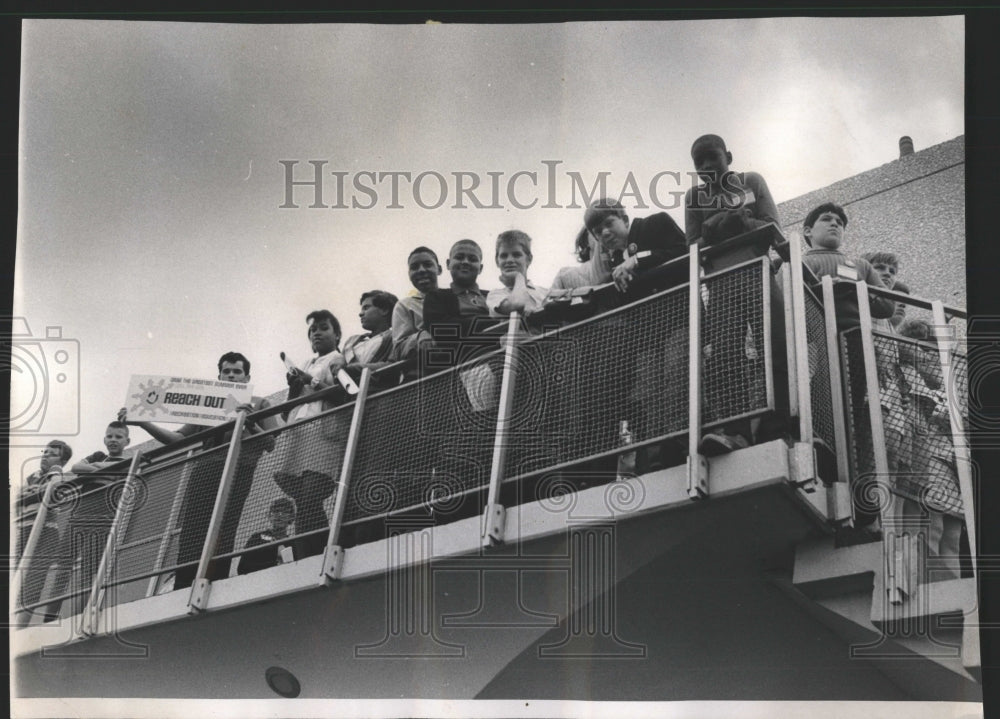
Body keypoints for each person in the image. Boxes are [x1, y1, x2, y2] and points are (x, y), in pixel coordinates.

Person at [120, 351, 279, 589]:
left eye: (237, 372)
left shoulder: (259, 403)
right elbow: (177, 439)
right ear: (219, 376)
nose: (231, 376)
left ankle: (215, 582)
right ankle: (184, 585)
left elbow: (271, 443)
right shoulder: (209, 405)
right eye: (226, 371)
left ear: (246, 378)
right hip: (205, 469)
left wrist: (250, 422)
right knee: (193, 530)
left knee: (225, 526)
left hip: (239, 470)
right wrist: (142, 421)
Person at [276, 310, 350, 559]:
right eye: (312, 330)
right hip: (300, 436)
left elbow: (345, 394)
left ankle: (318, 554)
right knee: (303, 501)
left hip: (324, 435)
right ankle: (304, 557)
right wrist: (294, 388)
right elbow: (288, 411)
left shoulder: (340, 358)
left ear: (336, 334)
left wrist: (313, 382)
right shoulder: (306, 363)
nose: (316, 333)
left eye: (323, 327)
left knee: (310, 495)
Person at [894, 319, 964, 580]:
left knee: (953, 533)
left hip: (950, 456)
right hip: (927, 449)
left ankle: (953, 590)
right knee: (932, 526)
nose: (933, 355)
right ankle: (926, 582)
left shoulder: (951, 382)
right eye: (927, 349)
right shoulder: (907, 371)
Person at [800, 202, 895, 330]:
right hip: (815, 335)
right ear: (807, 231)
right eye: (826, 219)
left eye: (840, 223)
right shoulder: (799, 262)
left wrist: (853, 290)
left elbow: (888, 306)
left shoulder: (861, 265)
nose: (834, 224)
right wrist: (819, 290)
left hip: (857, 334)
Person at [684, 134, 779, 245]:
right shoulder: (694, 196)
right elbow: (691, 250)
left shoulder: (751, 181)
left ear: (728, 158)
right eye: (699, 162)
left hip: (756, 259)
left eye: (713, 157)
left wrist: (742, 222)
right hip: (715, 261)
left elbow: (775, 233)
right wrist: (720, 229)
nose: (706, 166)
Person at [15, 440, 72, 620]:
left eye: (52, 453)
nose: (45, 455)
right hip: (24, 528)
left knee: (33, 581)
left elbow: (53, 488)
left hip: (45, 530)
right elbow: (17, 496)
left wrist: (33, 492)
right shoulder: (32, 476)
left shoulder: (57, 473)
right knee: (15, 575)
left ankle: (20, 628)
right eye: (45, 451)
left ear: (62, 461)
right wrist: (32, 492)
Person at [583, 198, 687, 295]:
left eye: (609, 223)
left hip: (685, 308)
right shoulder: (615, 263)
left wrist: (637, 260)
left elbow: (686, 252)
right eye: (598, 231)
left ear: (625, 220)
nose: (605, 233)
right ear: (596, 239)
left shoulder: (656, 223)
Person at [391, 246, 443, 362]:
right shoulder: (405, 306)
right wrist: (419, 338)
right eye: (414, 267)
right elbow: (398, 349)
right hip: (429, 373)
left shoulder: (455, 297)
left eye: (427, 264)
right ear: (409, 274)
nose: (421, 270)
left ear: (439, 269)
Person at [487, 230, 550, 319]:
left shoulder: (544, 293)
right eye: (504, 256)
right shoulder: (495, 295)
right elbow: (516, 304)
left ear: (529, 259)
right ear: (497, 261)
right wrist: (518, 277)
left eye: (516, 255)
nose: (509, 260)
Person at [236, 498, 297, 575]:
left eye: (285, 511)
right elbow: (243, 567)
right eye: (276, 511)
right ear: (269, 516)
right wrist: (275, 561)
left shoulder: (293, 543)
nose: (280, 514)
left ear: (291, 517)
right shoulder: (258, 537)